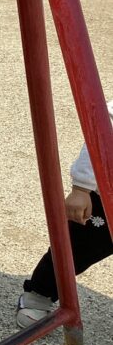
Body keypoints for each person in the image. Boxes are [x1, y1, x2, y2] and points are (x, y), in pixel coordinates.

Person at [16, 100, 113, 327]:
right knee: (76, 250)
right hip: (107, 199)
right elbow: (101, 132)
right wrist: (82, 187)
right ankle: (39, 294)